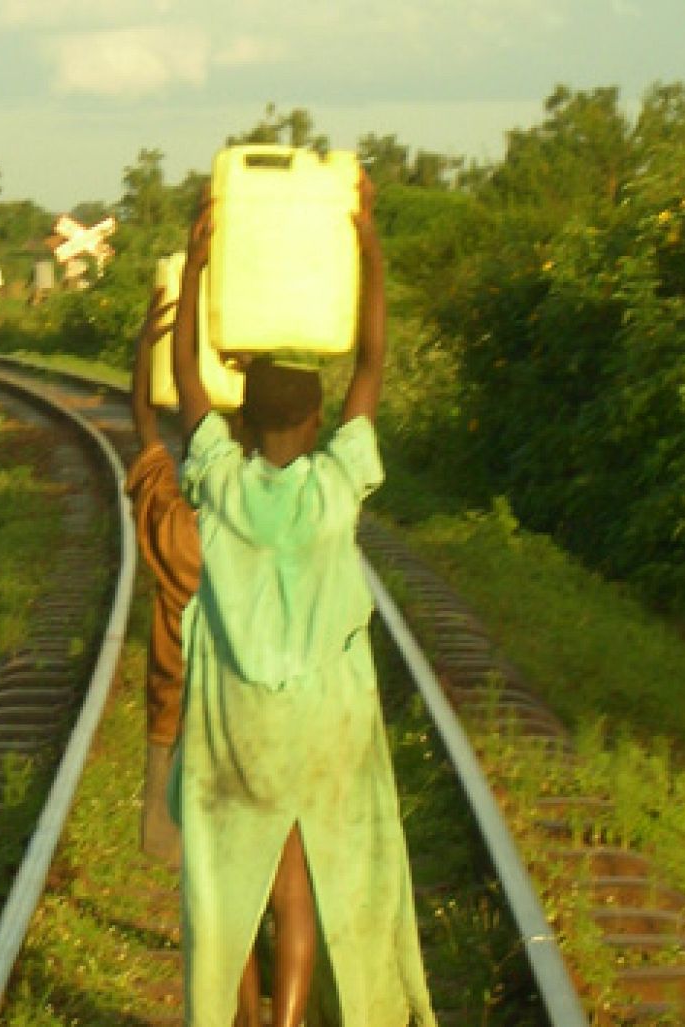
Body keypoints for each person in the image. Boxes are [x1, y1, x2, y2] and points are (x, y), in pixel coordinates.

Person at [170, 174, 435, 1026]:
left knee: (224, 889)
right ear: (318, 420)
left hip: (235, 721)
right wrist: (370, 255)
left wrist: (198, 274)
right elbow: (373, 362)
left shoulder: (219, 482)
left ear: (245, 422)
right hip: (322, 723)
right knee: (296, 888)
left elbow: (185, 381)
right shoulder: (335, 486)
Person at [125, 285, 202, 867]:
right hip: (254, 726)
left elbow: (148, 438)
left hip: (173, 719)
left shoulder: (178, 535)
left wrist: (145, 353)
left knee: (192, 872)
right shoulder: (265, 536)